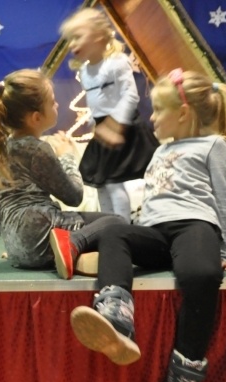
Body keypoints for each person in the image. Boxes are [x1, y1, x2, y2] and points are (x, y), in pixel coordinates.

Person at [69, 69, 226, 382]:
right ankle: (115, 318)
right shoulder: (160, 148)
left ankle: (183, 381)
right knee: (113, 232)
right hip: (156, 231)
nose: (153, 118)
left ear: (184, 113)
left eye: (158, 110)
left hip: (194, 226)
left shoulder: (212, 145)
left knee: (201, 276)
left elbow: (223, 199)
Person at [0, 68, 126, 280]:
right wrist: (67, 156)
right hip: (40, 235)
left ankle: (72, 255)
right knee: (116, 222)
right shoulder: (36, 149)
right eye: (52, 102)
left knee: (102, 226)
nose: (57, 105)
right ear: (36, 117)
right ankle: (72, 246)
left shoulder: (5, 146)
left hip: (18, 247)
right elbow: (74, 197)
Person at [59, 7, 159, 222]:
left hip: (123, 126)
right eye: (70, 39)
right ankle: (108, 223)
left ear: (99, 36)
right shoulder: (85, 71)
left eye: (78, 37)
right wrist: (95, 122)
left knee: (113, 182)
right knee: (100, 184)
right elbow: (97, 102)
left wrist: (116, 124)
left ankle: (122, 226)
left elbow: (130, 97)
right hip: (103, 129)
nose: (72, 44)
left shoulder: (117, 62)